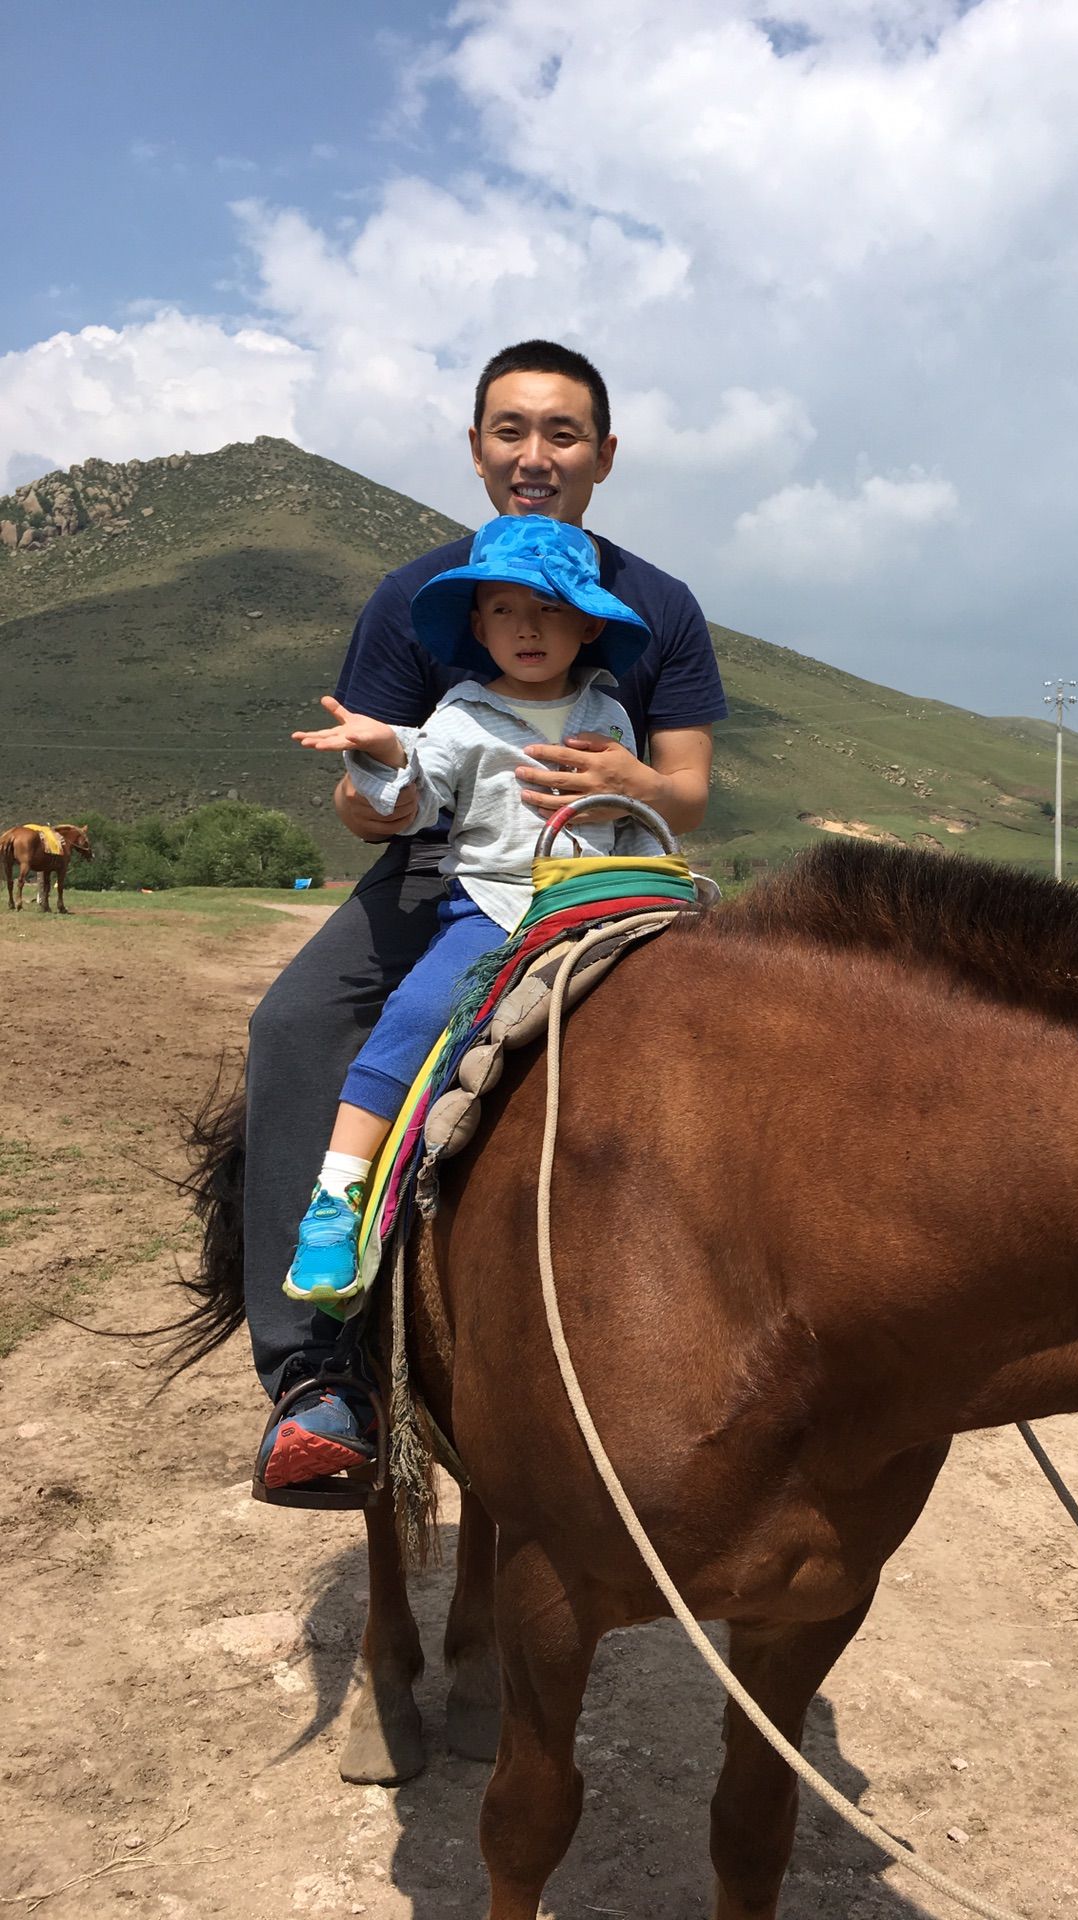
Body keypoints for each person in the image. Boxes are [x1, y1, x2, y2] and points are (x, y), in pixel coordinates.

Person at [248, 340, 726, 1495]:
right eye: (510, 430)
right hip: (443, 883)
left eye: (562, 433)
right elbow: (372, 810)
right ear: (475, 450)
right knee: (296, 1028)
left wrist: (629, 783)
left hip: (611, 881)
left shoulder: (658, 608)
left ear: (604, 456)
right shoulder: (418, 600)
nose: (534, 454)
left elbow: (691, 792)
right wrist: (383, 776)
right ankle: (317, 1378)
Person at [275, 515, 660, 1343]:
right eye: (503, 610)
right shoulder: (463, 713)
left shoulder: (611, 716)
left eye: (549, 609)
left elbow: (629, 821)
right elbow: (413, 792)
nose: (526, 627)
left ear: (588, 623)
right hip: (495, 911)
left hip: (604, 907)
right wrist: (383, 755)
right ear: (477, 626)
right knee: (412, 1022)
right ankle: (336, 1198)